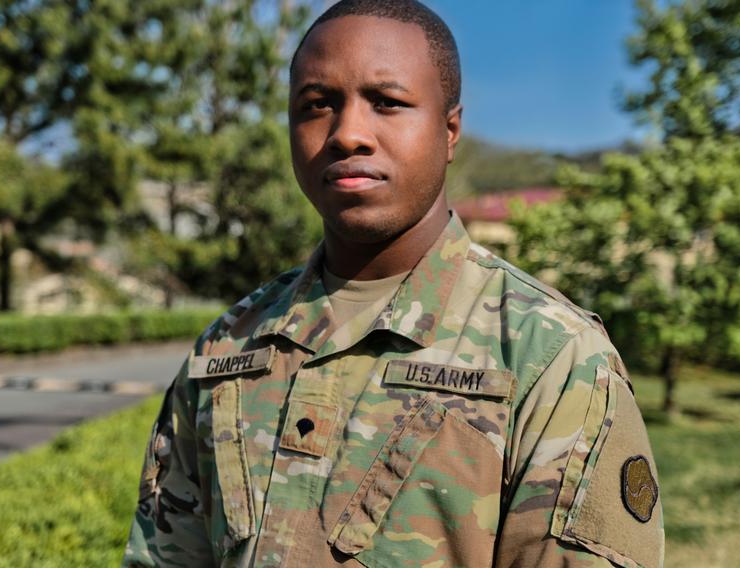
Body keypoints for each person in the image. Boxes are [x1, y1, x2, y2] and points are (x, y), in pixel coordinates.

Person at [123, 1, 664, 566]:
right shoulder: (228, 346)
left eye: (387, 103)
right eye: (316, 105)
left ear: (449, 130)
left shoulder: (550, 355)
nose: (348, 133)